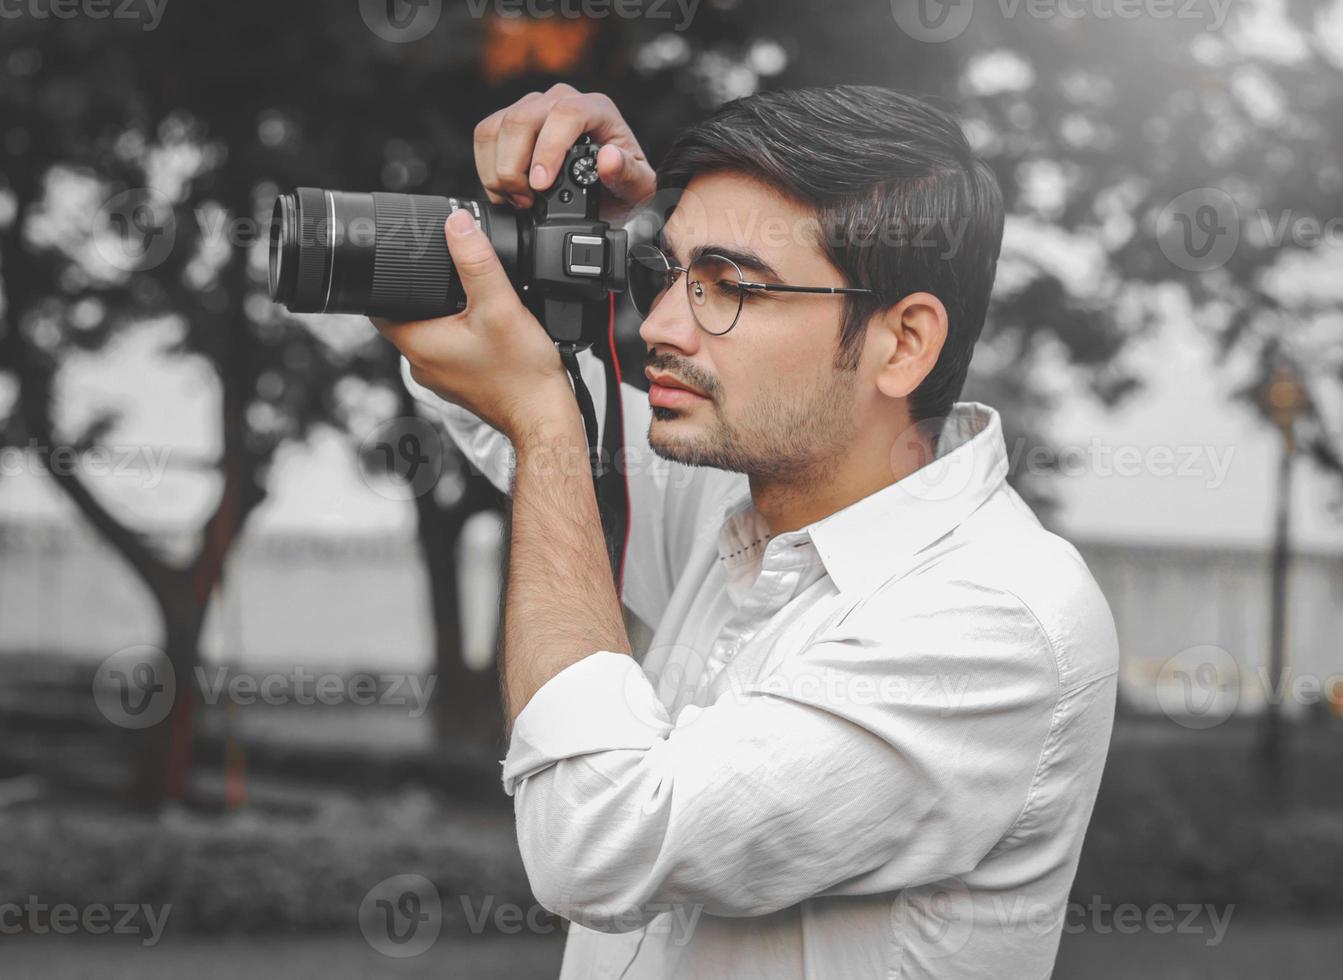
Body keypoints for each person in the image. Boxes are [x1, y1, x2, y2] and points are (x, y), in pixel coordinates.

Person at [375, 83, 1119, 980]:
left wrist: (543, 420)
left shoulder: (992, 617)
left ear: (903, 342)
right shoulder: (746, 505)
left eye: (727, 287)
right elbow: (505, 408)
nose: (657, 325)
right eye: (668, 274)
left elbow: (596, 841)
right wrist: (542, 233)